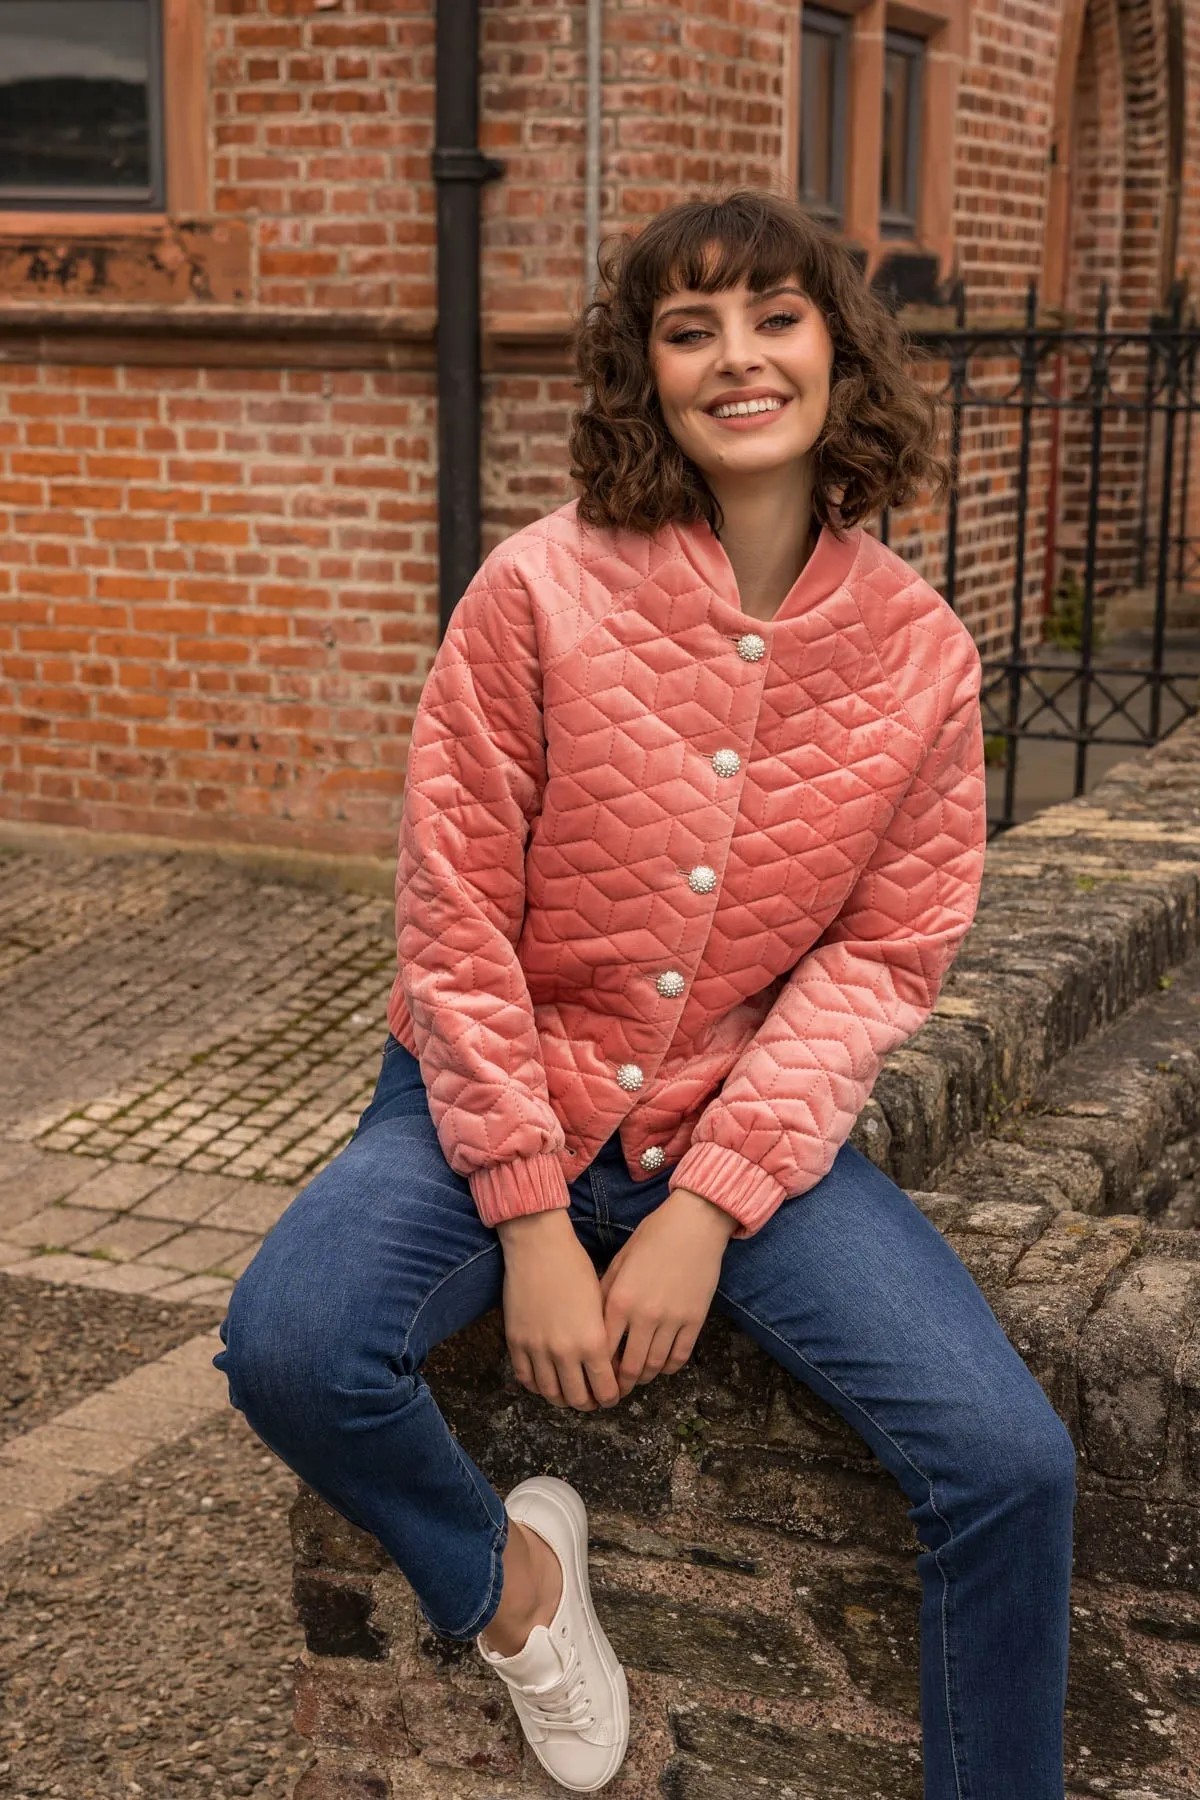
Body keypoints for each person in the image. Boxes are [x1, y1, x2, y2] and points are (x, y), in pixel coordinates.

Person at [215, 189, 1077, 1798]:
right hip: (494, 1092)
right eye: (691, 329)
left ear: (839, 351)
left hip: (730, 1125)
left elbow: (883, 958)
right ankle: (518, 1593)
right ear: (645, 370)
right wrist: (532, 1216)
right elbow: (452, 912)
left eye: (776, 317)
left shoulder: (923, 657)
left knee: (1012, 1463)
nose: (737, 359)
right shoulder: (537, 592)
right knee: (294, 1342)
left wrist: (713, 1204)